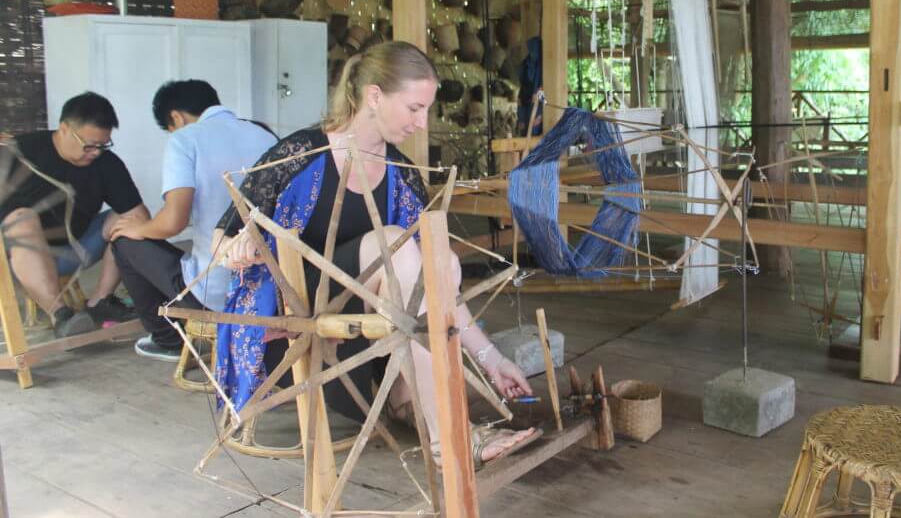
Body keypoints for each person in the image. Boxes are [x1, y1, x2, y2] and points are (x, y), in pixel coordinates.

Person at [214, 41, 538, 467]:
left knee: (442, 259)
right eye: (414, 108)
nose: (422, 123)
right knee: (396, 245)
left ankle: (412, 400)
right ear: (373, 96)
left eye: (426, 110)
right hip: (298, 314)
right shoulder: (300, 154)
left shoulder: (402, 175)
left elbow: (436, 283)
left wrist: (491, 358)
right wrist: (235, 250)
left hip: (377, 313)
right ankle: (448, 441)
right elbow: (222, 237)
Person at [110, 80, 276, 362]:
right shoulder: (265, 136)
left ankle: (167, 339)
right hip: (271, 286)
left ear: (176, 117)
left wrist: (138, 229)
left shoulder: (185, 139)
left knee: (125, 242)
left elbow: (173, 221)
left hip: (216, 293)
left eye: (170, 127)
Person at [0, 92, 146, 338]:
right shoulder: (21, 152)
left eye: (103, 145)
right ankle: (61, 315)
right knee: (22, 218)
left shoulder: (107, 164)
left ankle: (100, 303)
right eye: (89, 145)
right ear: (65, 129)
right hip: (18, 256)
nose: (96, 152)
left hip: (74, 250)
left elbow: (139, 215)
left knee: (126, 219)